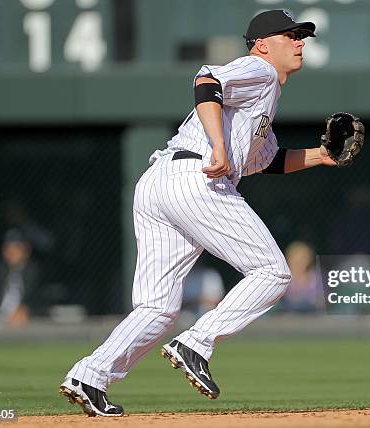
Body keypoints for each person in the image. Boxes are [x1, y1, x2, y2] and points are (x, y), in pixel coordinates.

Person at [59, 10, 344, 417]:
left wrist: (321, 155)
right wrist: (219, 147)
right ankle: (197, 342)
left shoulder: (263, 99)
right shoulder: (259, 71)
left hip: (159, 181)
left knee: (157, 307)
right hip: (197, 179)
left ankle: (90, 375)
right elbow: (206, 80)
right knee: (272, 271)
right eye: (291, 35)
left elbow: (268, 160)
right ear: (263, 44)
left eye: (302, 36)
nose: (300, 42)